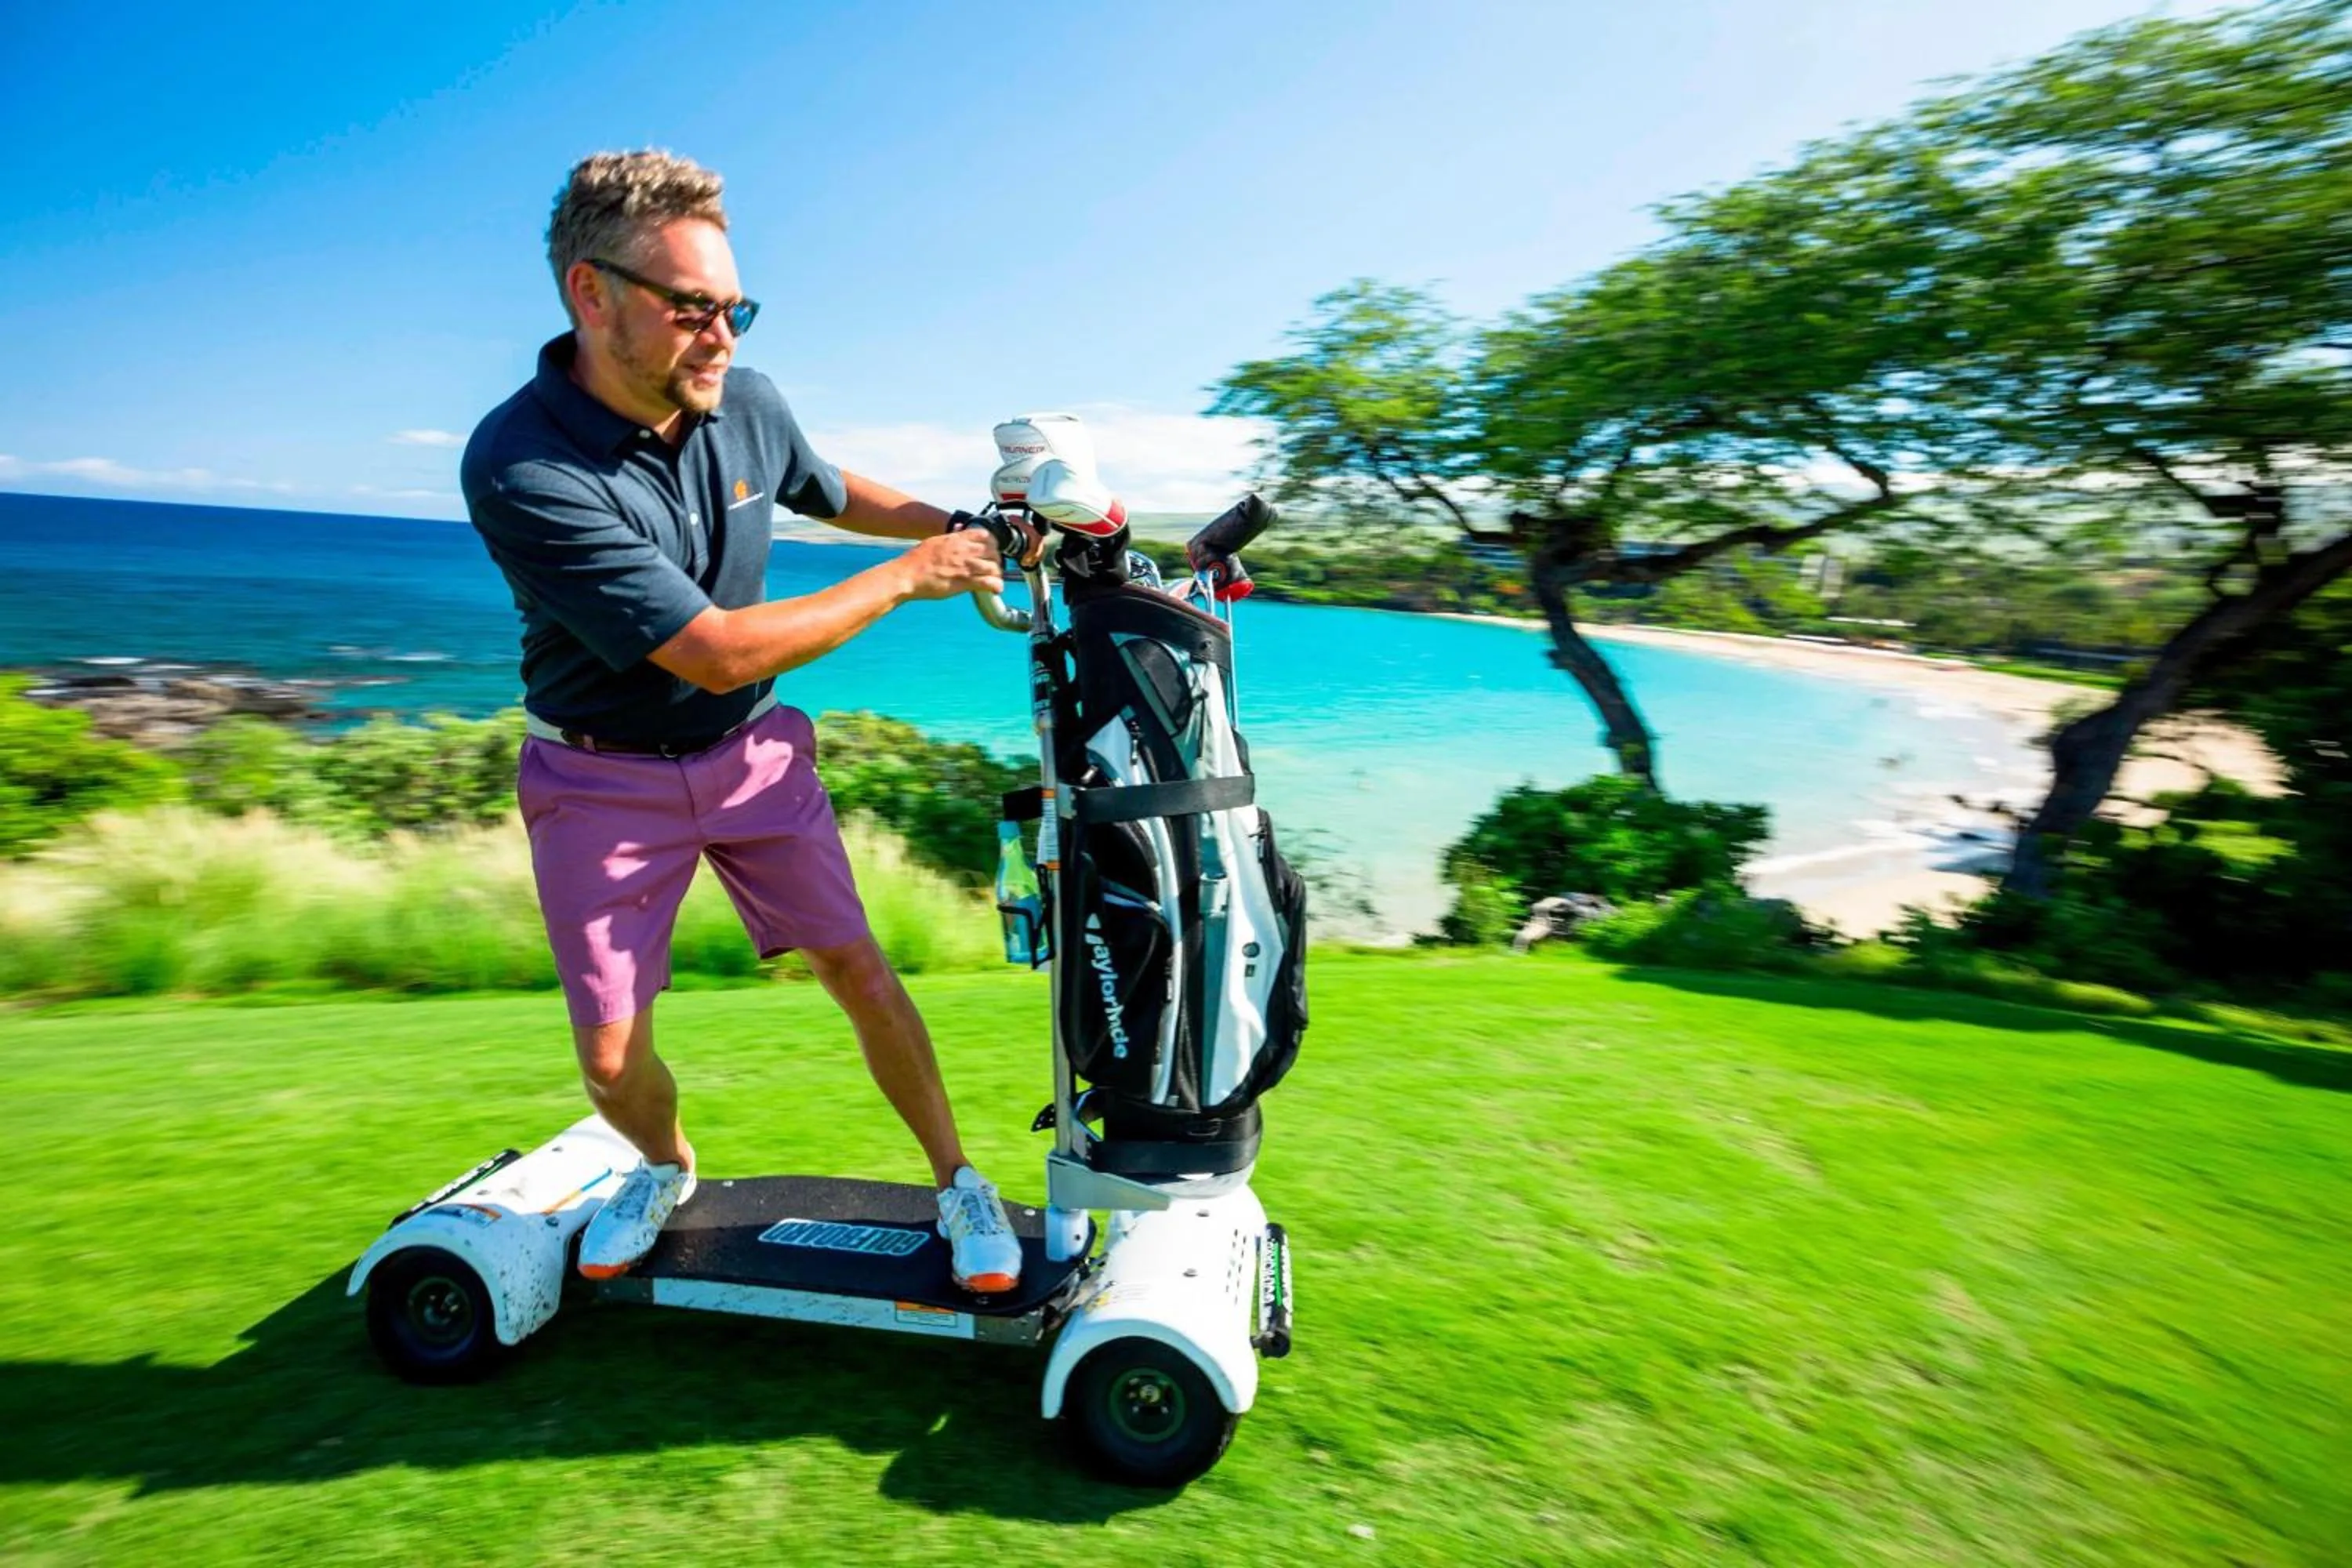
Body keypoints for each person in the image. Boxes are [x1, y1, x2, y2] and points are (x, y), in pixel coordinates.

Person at [460, 149, 1027, 1293]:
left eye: (735, 308)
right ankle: (663, 1167)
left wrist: (971, 528)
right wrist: (919, 573)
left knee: (859, 969)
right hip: (600, 781)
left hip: (752, 756)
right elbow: (714, 652)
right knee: (614, 1060)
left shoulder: (744, 399)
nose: (722, 337)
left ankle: (961, 1181)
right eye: (692, 311)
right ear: (592, 293)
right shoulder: (521, 464)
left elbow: (828, 485)